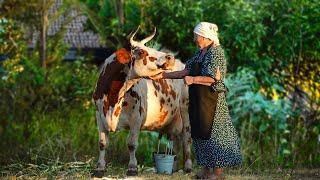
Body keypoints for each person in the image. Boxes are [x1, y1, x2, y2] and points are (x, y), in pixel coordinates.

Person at [151, 22, 242, 179]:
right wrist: (162, 75)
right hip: (199, 99)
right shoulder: (199, 54)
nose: (194, 39)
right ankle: (206, 171)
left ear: (205, 37)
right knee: (200, 133)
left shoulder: (216, 53)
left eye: (196, 36)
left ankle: (218, 173)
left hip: (212, 100)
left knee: (215, 135)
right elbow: (185, 71)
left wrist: (193, 79)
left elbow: (214, 78)